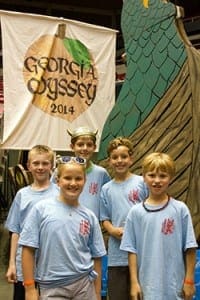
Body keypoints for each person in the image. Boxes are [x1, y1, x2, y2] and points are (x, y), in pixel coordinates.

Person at [19, 156, 106, 300]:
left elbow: (97, 256)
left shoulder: (89, 216)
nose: (73, 183)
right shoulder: (41, 210)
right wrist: (29, 288)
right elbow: (28, 249)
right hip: (51, 287)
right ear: (58, 181)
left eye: (78, 179)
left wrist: (96, 293)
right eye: (67, 178)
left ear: (84, 181)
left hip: (84, 285)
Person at [120, 152, 197, 300]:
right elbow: (131, 251)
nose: (157, 181)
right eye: (152, 175)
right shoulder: (135, 213)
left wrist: (189, 280)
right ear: (143, 176)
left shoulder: (180, 209)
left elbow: (190, 248)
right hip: (147, 287)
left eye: (163, 176)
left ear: (171, 178)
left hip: (175, 286)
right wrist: (134, 283)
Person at [5, 145, 59, 300]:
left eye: (45, 163)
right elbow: (15, 231)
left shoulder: (60, 193)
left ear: (52, 166)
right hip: (25, 266)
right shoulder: (22, 195)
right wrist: (12, 264)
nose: (40, 167)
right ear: (29, 166)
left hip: (52, 265)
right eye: (36, 163)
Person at [100, 137, 148, 300]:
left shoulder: (142, 183)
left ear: (131, 158)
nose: (119, 161)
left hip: (142, 254)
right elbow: (104, 218)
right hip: (117, 257)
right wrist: (112, 230)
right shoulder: (106, 189)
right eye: (115, 157)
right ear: (109, 160)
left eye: (124, 156)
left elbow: (151, 210)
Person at [52, 126, 110, 219]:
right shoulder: (60, 170)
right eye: (80, 144)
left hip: (90, 225)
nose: (85, 148)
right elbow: (52, 195)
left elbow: (107, 201)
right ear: (72, 147)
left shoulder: (101, 173)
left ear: (94, 147)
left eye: (89, 145)